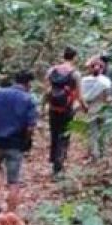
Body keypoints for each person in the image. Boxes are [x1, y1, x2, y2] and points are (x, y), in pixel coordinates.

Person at [0, 69, 38, 215]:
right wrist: (26, 139)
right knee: (14, 179)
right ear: (28, 84)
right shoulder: (29, 99)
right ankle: (10, 213)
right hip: (16, 143)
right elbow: (31, 126)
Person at [44, 47, 86, 177]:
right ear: (74, 58)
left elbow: (46, 91)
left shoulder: (52, 70)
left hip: (53, 108)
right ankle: (59, 164)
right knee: (64, 135)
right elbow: (79, 95)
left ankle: (53, 160)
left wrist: (43, 106)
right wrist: (84, 107)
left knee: (54, 134)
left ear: (63, 56)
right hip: (67, 109)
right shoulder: (75, 74)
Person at [80, 59, 112, 161]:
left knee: (93, 132)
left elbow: (82, 97)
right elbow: (108, 97)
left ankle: (95, 154)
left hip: (91, 109)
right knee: (103, 132)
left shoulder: (84, 81)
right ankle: (102, 153)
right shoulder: (106, 81)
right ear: (102, 69)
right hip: (103, 109)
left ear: (91, 69)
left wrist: (84, 107)